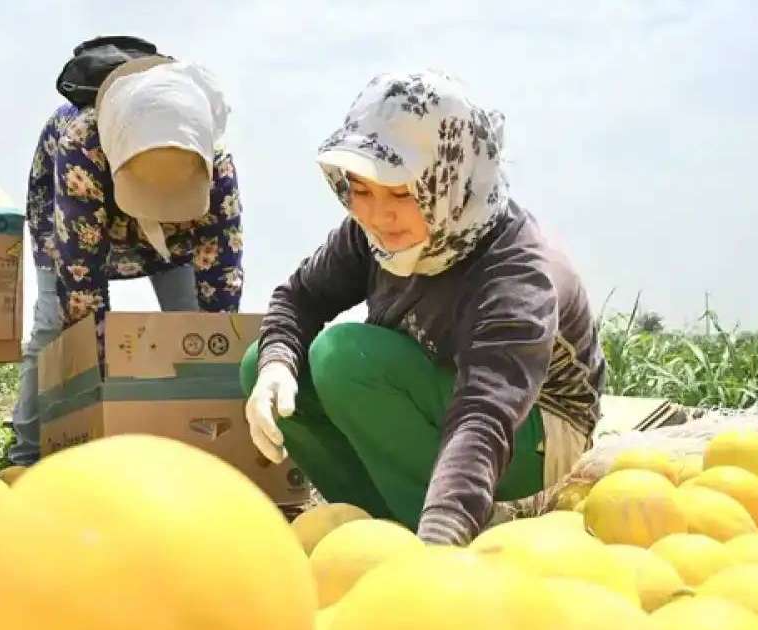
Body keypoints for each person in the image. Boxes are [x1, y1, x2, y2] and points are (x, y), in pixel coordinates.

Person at [241, 71, 605, 546]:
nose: (377, 214)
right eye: (362, 190)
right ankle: (381, 525)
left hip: (531, 428)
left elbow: (484, 414)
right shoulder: (371, 233)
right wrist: (274, 364)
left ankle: (439, 534)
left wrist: (442, 538)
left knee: (345, 358)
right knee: (267, 369)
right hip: (436, 390)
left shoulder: (515, 268)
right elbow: (300, 297)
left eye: (401, 192)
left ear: (448, 179)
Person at [10, 36, 245, 466]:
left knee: (192, 324)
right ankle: (26, 451)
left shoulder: (216, 165)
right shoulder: (80, 144)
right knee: (53, 325)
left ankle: (195, 441)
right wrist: (107, 408)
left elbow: (222, 278)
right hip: (76, 220)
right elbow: (83, 289)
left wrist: (215, 370)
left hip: (173, 242)